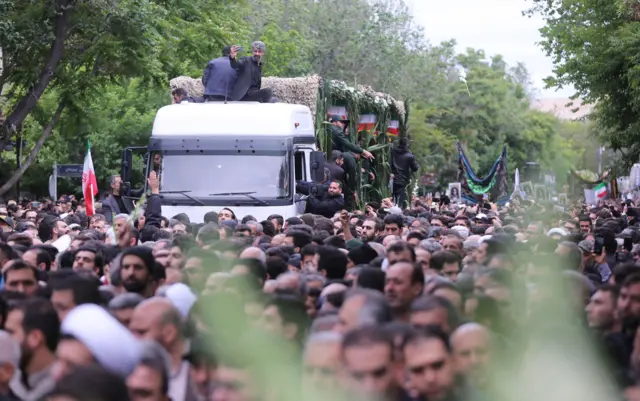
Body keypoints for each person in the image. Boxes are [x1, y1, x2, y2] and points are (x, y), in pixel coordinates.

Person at [390, 137, 418, 208]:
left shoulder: (393, 152)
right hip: (402, 179)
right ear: (407, 145)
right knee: (399, 200)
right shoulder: (410, 156)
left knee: (392, 198)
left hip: (391, 178)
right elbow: (415, 168)